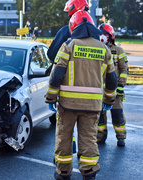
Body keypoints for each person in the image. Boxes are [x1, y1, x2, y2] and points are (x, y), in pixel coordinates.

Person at [45, 11, 118, 180]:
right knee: (88, 139)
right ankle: (89, 172)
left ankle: (63, 172)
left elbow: (56, 75)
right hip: (92, 106)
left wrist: (51, 98)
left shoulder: (69, 45)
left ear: (73, 27)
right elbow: (112, 79)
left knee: (64, 138)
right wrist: (108, 99)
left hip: (67, 105)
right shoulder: (104, 48)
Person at [97, 23, 128, 146]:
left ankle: (121, 137)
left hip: (115, 90)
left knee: (117, 115)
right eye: (100, 34)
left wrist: (120, 86)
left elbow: (124, 69)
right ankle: (100, 137)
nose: (102, 37)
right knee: (100, 117)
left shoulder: (118, 50)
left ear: (110, 36)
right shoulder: (97, 49)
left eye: (105, 34)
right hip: (100, 90)